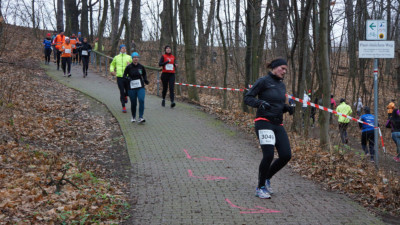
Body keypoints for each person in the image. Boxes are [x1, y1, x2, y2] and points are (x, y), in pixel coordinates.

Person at [244, 58, 294, 199]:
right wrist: (260, 103)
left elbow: (276, 104)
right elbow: (248, 98)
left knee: (286, 155)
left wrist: (286, 108)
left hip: (277, 123)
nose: (284, 71)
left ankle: (266, 178)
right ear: (275, 67)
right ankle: (260, 188)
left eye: (285, 69)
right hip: (263, 122)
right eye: (282, 68)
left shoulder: (281, 85)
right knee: (269, 155)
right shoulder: (263, 81)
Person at [124, 52, 149, 123]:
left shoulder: (141, 67)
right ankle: (133, 116)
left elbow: (144, 74)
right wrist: (128, 78)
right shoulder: (128, 67)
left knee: (141, 100)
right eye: (134, 57)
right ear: (132, 59)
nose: (136, 59)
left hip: (140, 86)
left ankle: (141, 117)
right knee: (133, 103)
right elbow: (124, 75)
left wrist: (145, 80)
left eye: (137, 57)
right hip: (131, 87)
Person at [110, 44, 132, 113]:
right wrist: (112, 71)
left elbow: (133, 66)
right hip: (119, 77)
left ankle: (126, 96)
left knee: (128, 92)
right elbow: (112, 65)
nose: (124, 49)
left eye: (125, 48)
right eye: (122, 48)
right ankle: (123, 106)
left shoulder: (129, 57)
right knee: (121, 91)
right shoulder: (116, 57)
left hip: (127, 77)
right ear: (120, 49)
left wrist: (130, 65)